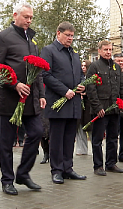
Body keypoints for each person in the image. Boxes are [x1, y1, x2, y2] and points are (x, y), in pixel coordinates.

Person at [0, 3, 45, 195]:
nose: (29, 20)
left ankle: (23, 173)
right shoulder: (3, 37)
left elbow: (37, 72)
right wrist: (14, 84)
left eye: (31, 18)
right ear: (15, 15)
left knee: (37, 132)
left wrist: (41, 95)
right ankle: (7, 180)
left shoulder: (32, 41)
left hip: (30, 101)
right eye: (26, 17)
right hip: (9, 100)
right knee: (7, 142)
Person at [41, 21, 87, 184]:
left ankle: (68, 168)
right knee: (57, 139)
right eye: (67, 35)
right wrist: (64, 90)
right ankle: (57, 170)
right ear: (58, 33)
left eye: (72, 36)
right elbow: (46, 75)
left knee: (69, 138)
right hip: (57, 103)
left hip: (73, 103)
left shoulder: (74, 54)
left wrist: (82, 84)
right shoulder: (49, 51)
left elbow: (80, 75)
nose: (70, 38)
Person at [86, 42, 123, 176]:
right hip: (101, 110)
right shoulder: (94, 67)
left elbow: (122, 87)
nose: (108, 52)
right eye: (105, 50)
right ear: (99, 51)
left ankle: (111, 163)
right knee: (97, 139)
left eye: (110, 50)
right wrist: (97, 107)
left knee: (113, 137)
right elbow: (91, 89)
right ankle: (98, 166)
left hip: (114, 109)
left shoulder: (116, 67)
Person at [75, 60, 92, 155]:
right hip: (80, 106)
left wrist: (86, 93)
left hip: (88, 106)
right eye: (82, 65)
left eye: (85, 66)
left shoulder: (91, 77)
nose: (83, 67)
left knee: (90, 128)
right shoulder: (79, 78)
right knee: (80, 127)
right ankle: (81, 149)